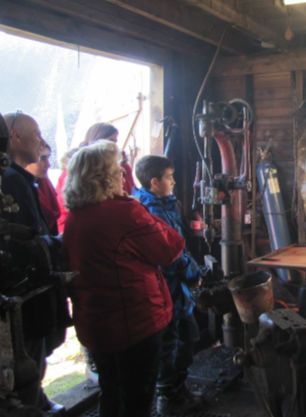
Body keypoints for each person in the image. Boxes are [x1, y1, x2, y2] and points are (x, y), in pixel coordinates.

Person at [62, 140, 183, 417]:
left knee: (112, 393)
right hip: (135, 323)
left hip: (96, 325)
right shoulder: (124, 212)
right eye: (118, 171)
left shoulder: (75, 218)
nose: (123, 176)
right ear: (104, 177)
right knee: (138, 399)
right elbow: (170, 248)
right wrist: (139, 210)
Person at [1, 111, 69, 415]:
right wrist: (60, 246)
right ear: (13, 136)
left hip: (31, 292)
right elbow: (23, 242)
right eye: (35, 133)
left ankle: (36, 400)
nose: (41, 141)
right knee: (25, 363)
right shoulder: (12, 181)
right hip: (24, 295)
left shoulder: (21, 180)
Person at [133, 155, 205, 415]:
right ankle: (168, 396)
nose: (174, 181)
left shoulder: (164, 205)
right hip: (167, 290)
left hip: (176, 290)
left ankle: (177, 388)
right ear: (154, 182)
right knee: (174, 342)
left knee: (185, 337)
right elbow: (170, 255)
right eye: (169, 177)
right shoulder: (152, 212)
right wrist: (193, 272)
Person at [56, 122, 135, 232]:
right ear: (94, 142)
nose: (114, 145)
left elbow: (131, 189)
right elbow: (66, 205)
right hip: (87, 224)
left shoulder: (123, 166)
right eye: (109, 140)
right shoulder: (77, 168)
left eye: (115, 141)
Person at [24, 141, 61, 234]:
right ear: (25, 159)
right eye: (42, 158)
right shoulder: (20, 187)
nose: (48, 165)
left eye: (48, 158)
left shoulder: (44, 183)